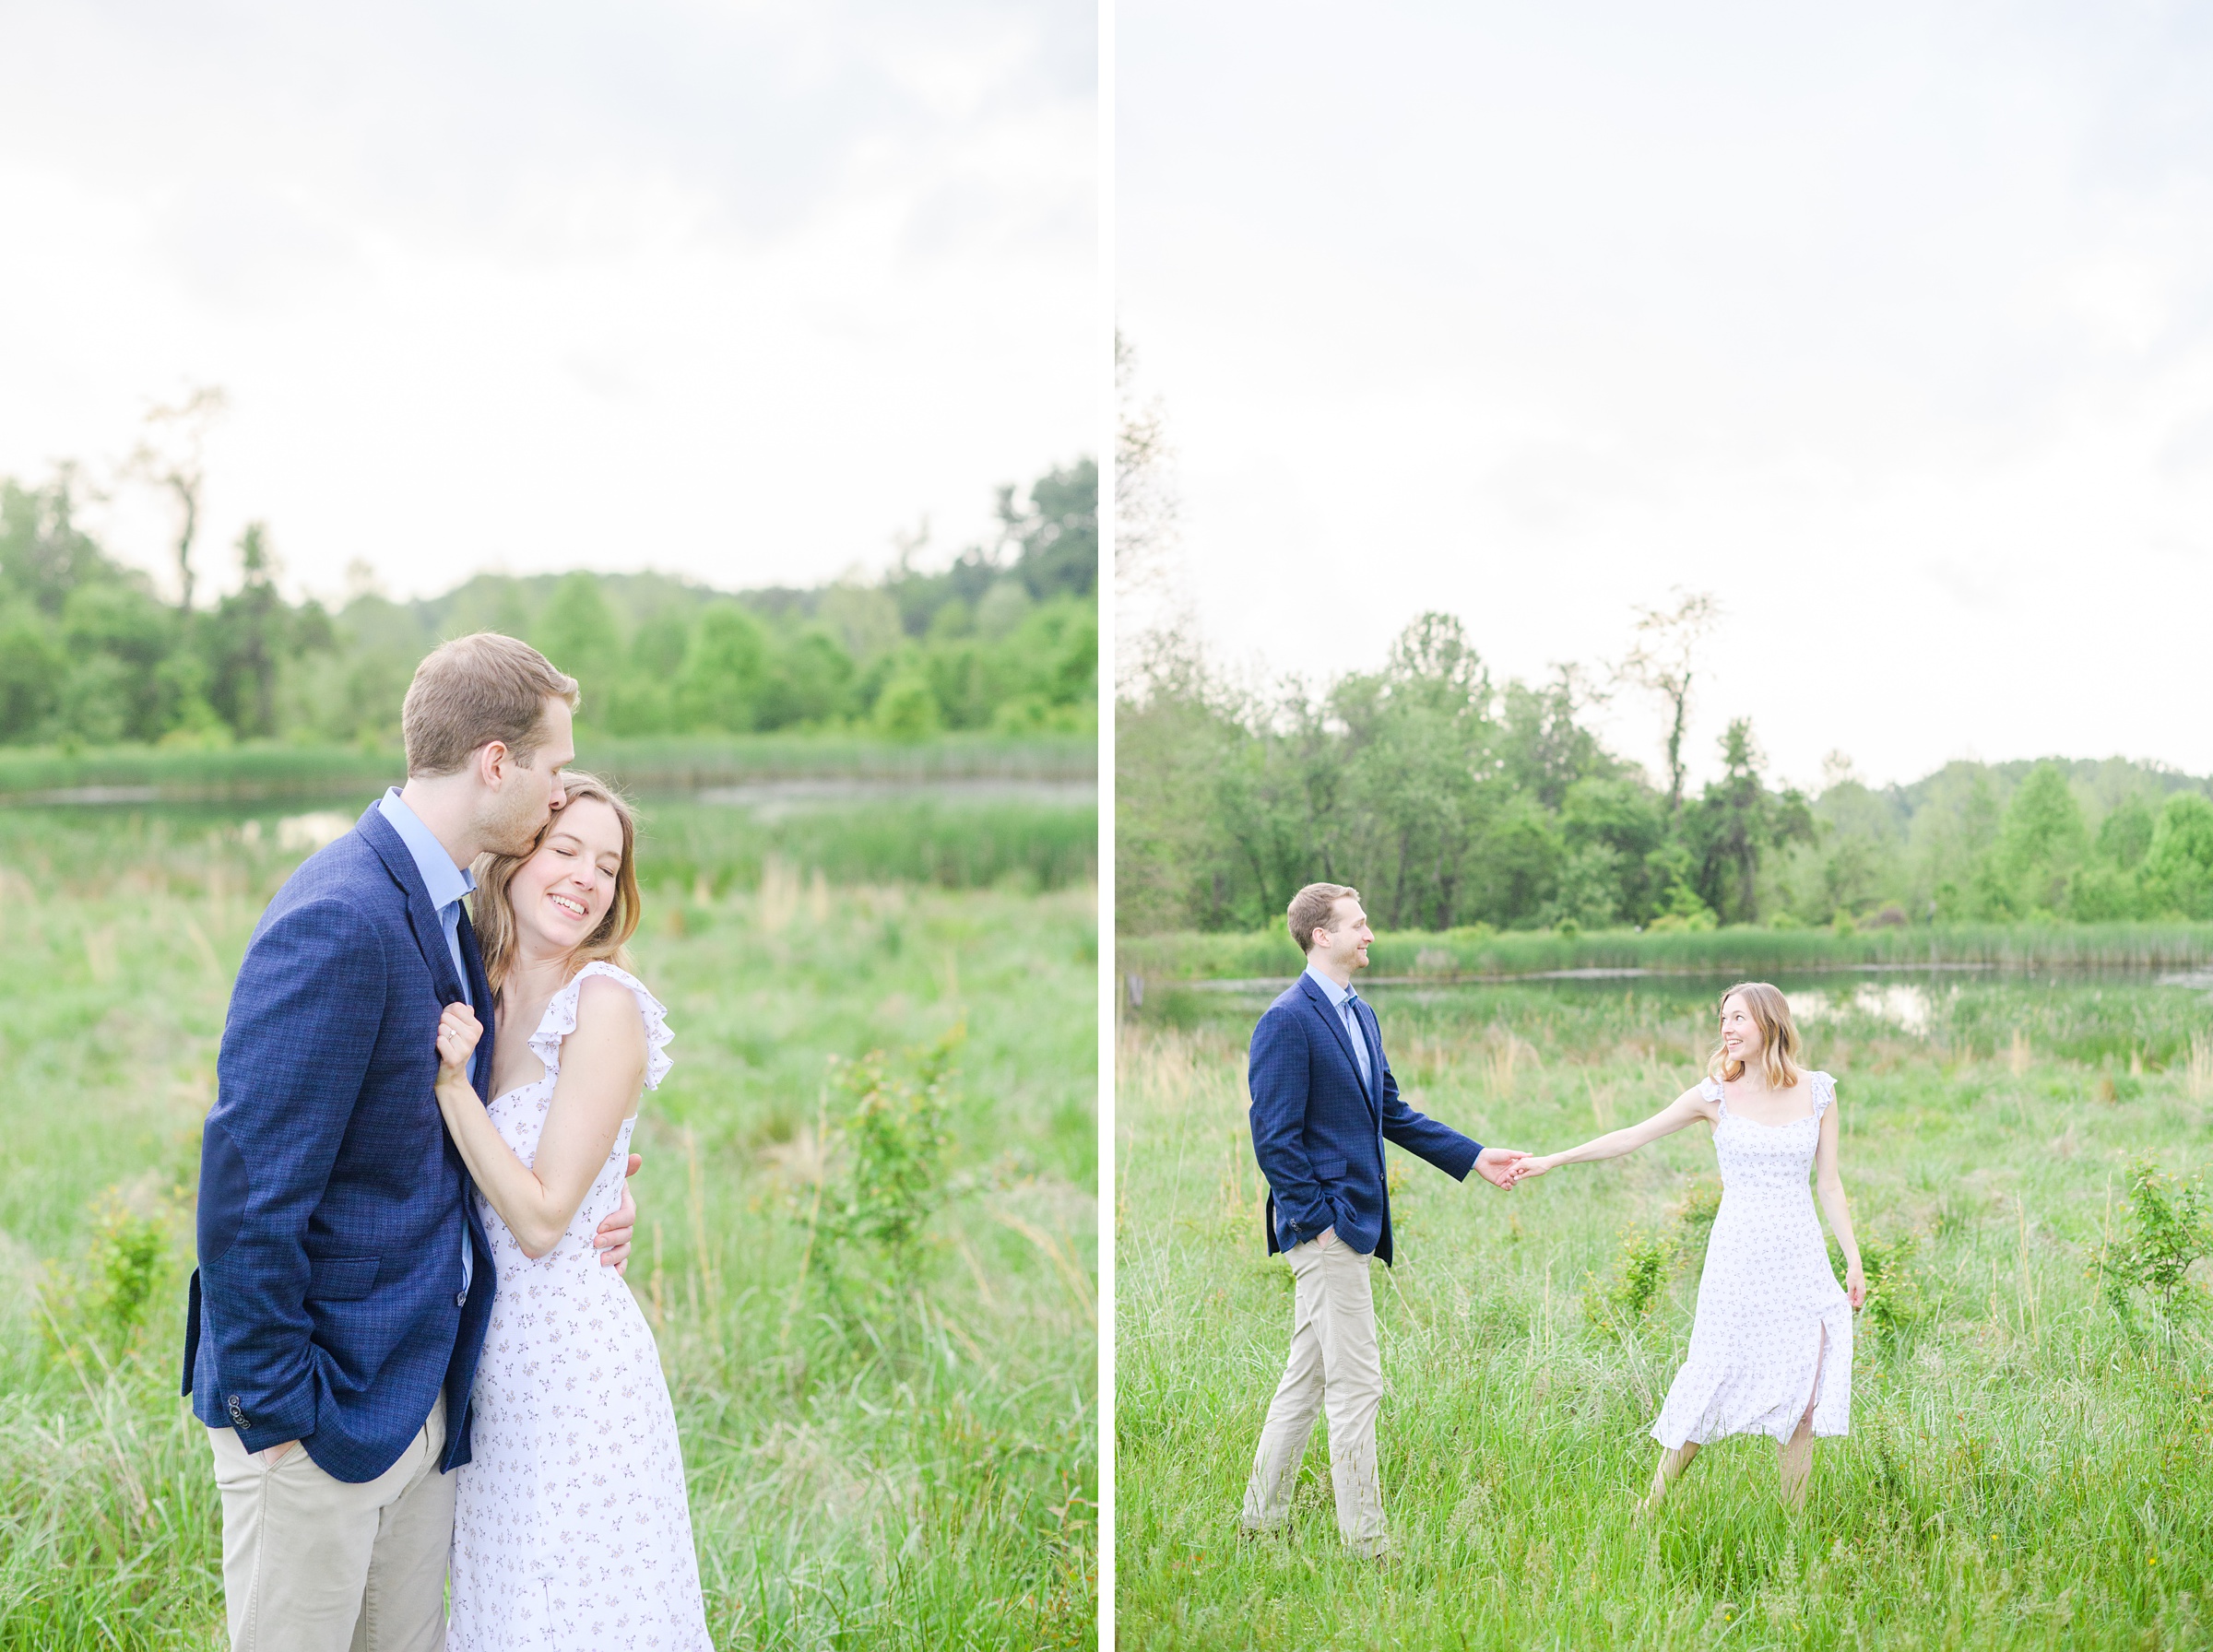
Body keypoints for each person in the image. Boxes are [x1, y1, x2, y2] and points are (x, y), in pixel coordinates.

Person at [184, 633, 641, 1652]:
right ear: (495, 762)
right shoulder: (341, 911)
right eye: (555, 766)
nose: (561, 793)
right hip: (313, 1416)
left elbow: (455, 1138)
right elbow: (249, 1182)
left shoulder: (449, 910)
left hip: (421, 1405)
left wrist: (606, 1188)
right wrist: (277, 1410)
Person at [432, 771, 710, 1648]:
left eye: (607, 865)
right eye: (565, 850)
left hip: (577, 1381)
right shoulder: (480, 988)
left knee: (582, 1617)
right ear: (515, 859)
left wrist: (454, 1091)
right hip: (487, 1375)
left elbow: (546, 1219)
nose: (585, 877)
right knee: (505, 1617)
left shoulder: (604, 1004)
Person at [1238, 882, 1528, 1558]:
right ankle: (1367, 1545)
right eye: (1358, 924)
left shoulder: (1358, 1015)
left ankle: (1259, 1520)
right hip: (1329, 1230)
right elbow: (1273, 1139)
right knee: (1358, 1383)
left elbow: (1391, 1113)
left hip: (1350, 1224)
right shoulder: (1287, 1020)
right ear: (1322, 936)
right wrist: (1318, 1224)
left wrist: (1476, 1156)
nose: (1370, 935)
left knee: (1306, 1377)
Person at [1514, 981, 1865, 1512]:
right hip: (1738, 1258)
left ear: (1771, 1023)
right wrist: (1553, 1159)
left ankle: (1796, 1534)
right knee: (1713, 1377)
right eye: (1723, 1018)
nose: (1727, 1028)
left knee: (1803, 1401)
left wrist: (1853, 1258)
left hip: (1801, 1258)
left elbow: (1830, 1184)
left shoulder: (1818, 1091)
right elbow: (1632, 1135)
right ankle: (1646, 1512)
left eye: (1739, 1018)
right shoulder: (1714, 1095)